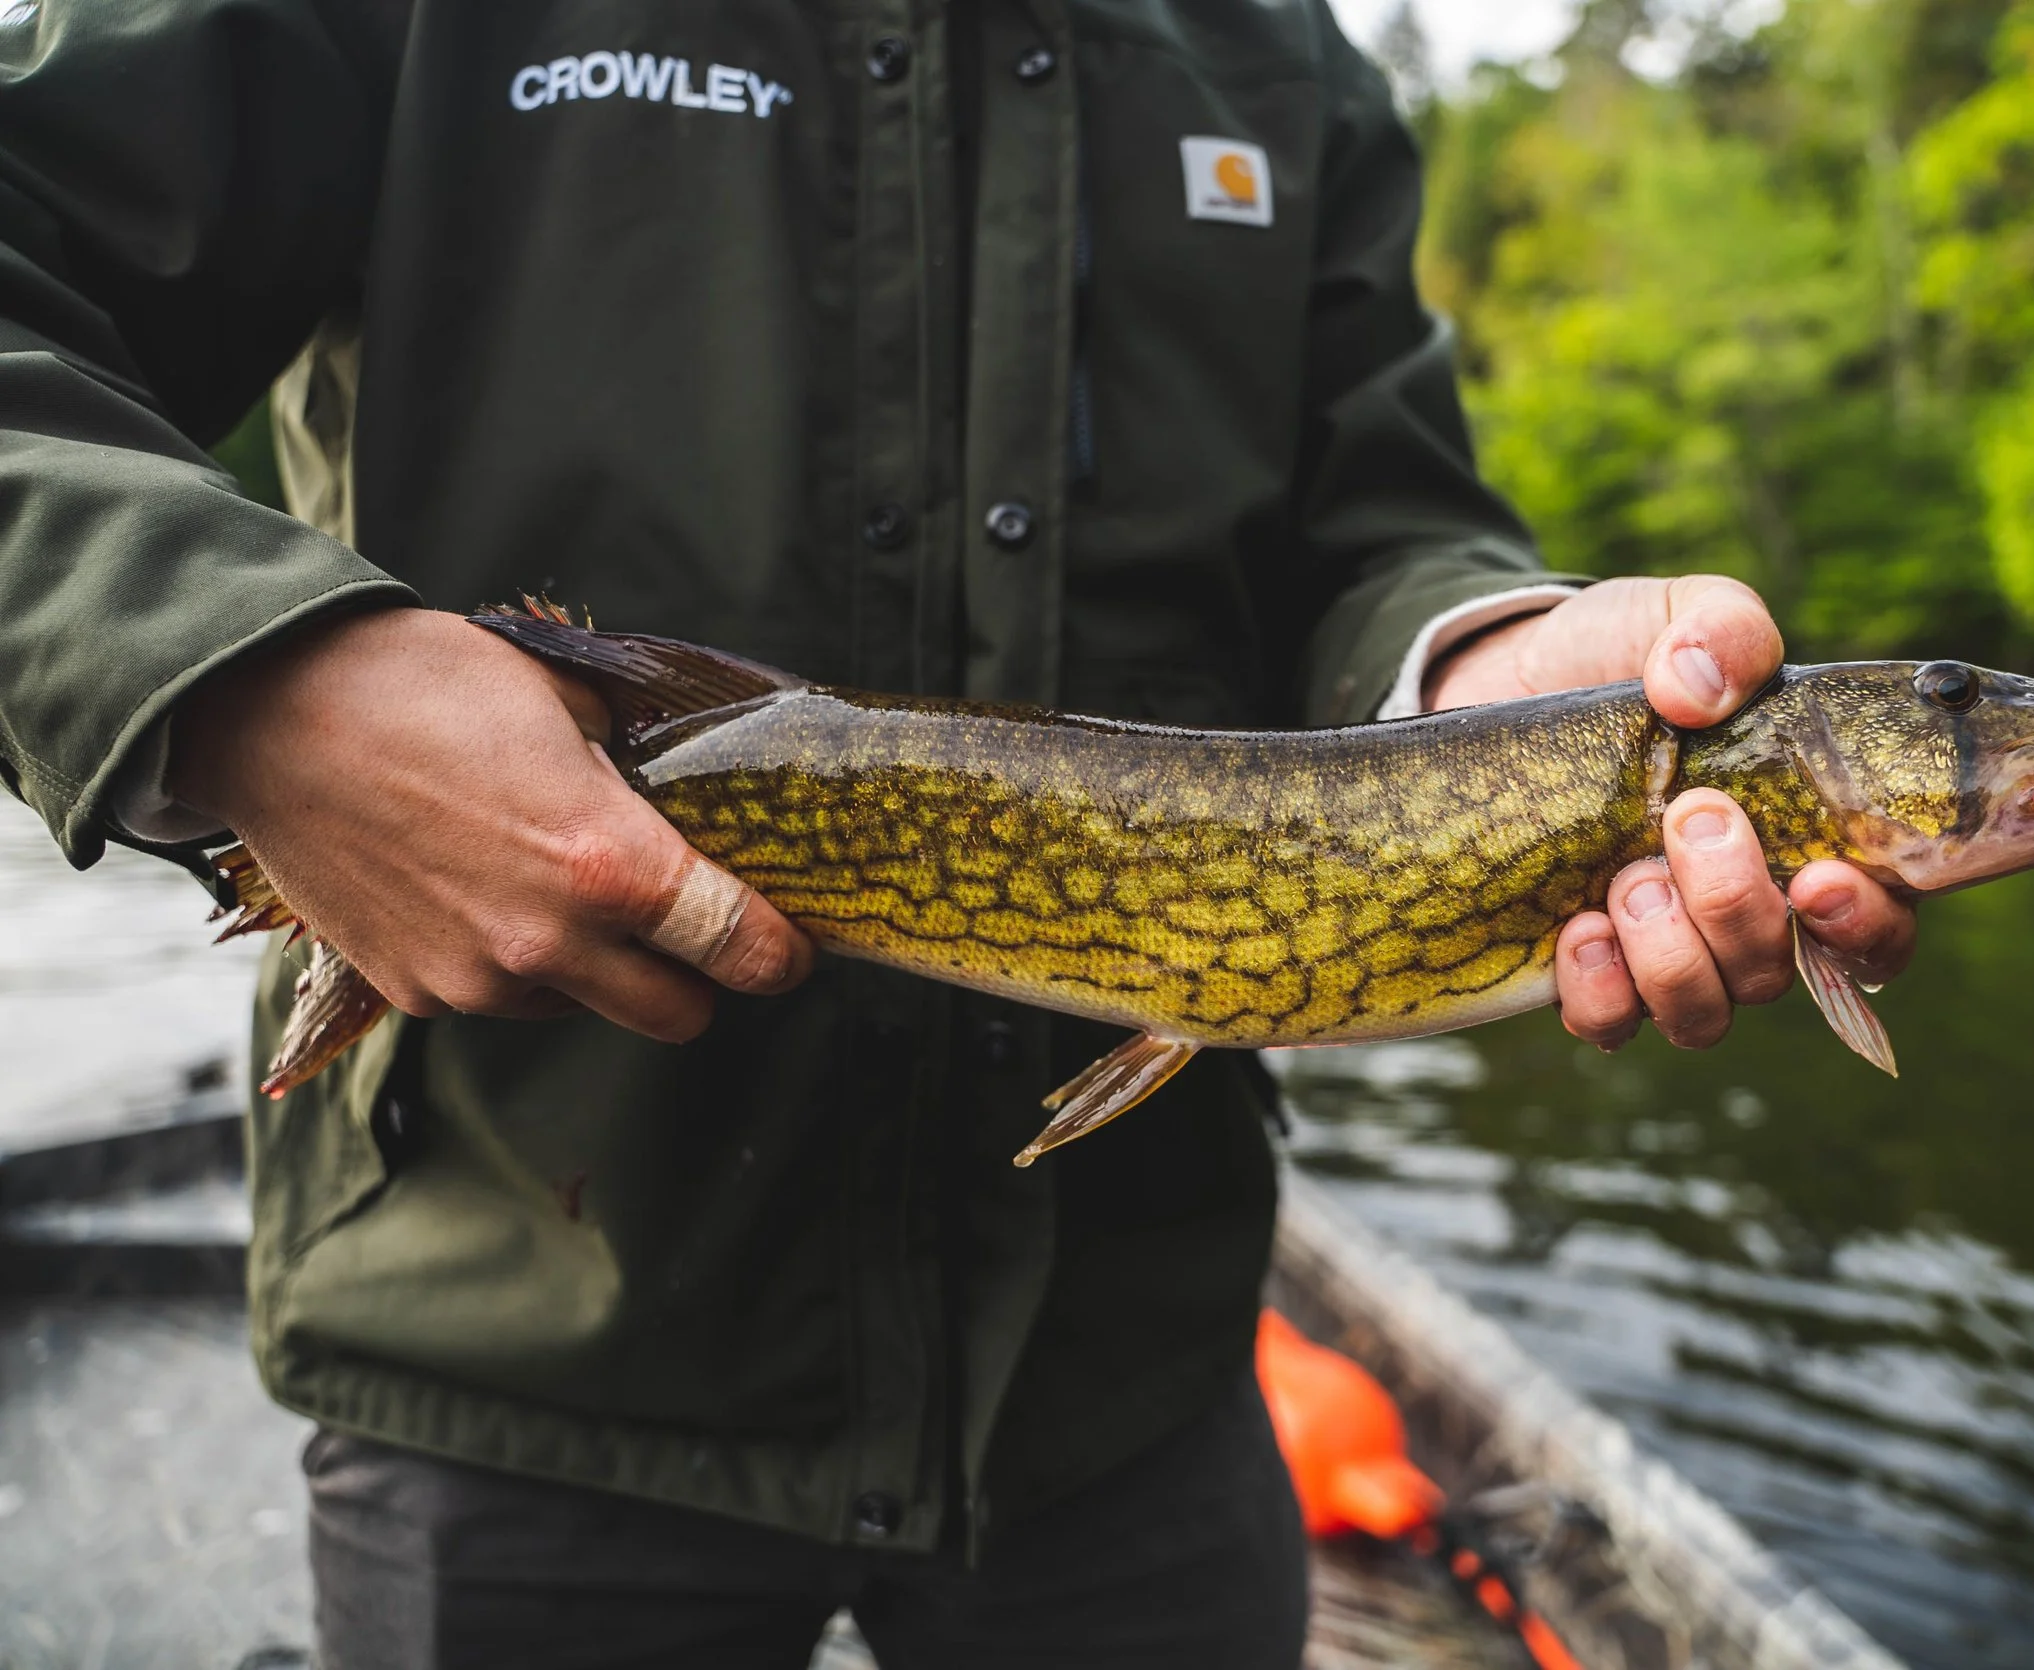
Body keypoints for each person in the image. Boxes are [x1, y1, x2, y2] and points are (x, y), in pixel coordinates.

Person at [0, 2, 1917, 1664]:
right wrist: (249, 684)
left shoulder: (1269, 54)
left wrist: (1480, 658)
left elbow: (1376, 522)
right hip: (514, 1324)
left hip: (1126, 1375)